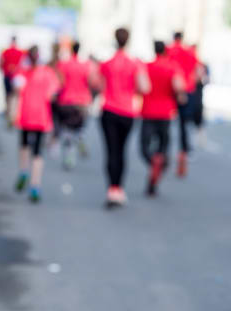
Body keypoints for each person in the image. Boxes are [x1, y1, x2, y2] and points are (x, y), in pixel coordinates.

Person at [98, 28, 151, 208]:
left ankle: (112, 189)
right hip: (127, 111)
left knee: (111, 150)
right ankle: (119, 189)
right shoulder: (135, 63)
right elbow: (145, 87)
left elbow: (98, 85)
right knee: (121, 150)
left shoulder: (107, 63)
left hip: (109, 110)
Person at [13, 45, 60, 202]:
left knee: (24, 144)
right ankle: (35, 185)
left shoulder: (23, 72)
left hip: (25, 114)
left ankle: (23, 172)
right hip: (41, 116)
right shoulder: (48, 73)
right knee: (38, 152)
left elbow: (17, 89)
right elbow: (53, 94)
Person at [140, 41, 185, 196]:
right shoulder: (172, 68)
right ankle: (157, 167)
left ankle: (153, 164)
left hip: (148, 112)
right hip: (166, 113)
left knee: (145, 148)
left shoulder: (146, 67)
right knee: (163, 147)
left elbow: (140, 86)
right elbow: (179, 87)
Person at [56, 41, 93, 169]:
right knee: (79, 126)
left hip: (67, 101)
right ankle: (79, 138)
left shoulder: (63, 65)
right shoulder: (86, 66)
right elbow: (91, 82)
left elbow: (60, 82)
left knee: (67, 129)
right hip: (83, 101)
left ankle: (69, 153)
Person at [167, 32, 199, 177]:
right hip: (188, 90)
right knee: (183, 123)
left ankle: (163, 150)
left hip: (172, 90)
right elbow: (197, 71)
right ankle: (184, 150)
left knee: (165, 121)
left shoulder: (169, 50)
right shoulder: (189, 52)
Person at [0, 36, 24, 127]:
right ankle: (12, 115)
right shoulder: (20, 52)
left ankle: (9, 113)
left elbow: (1, 63)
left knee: (8, 96)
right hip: (16, 77)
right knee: (15, 97)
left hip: (7, 75)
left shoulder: (6, 52)